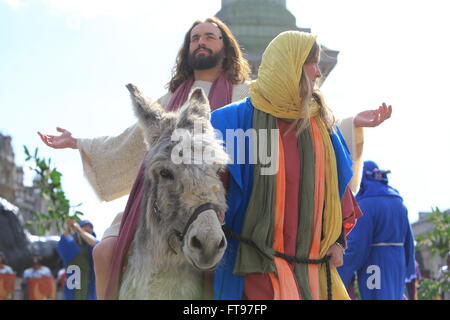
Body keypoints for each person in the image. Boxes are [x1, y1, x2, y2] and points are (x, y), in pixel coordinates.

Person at [38, 18, 391, 299]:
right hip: (163, 201)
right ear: (187, 49)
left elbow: (296, 126)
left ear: (226, 48)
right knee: (103, 253)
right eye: (194, 38)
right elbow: (130, 145)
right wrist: (79, 142)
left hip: (226, 205)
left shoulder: (252, 96)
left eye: (210, 37)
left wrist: (349, 124)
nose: (201, 42)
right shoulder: (169, 101)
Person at [337, 161, 416, 300]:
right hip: (398, 263)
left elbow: (357, 246)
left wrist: (341, 269)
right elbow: (409, 242)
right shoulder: (399, 202)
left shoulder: (366, 204)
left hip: (375, 264)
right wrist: (409, 269)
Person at [56, 219, 98, 300]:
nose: (88, 229)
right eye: (85, 226)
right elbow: (63, 244)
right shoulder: (72, 244)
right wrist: (68, 228)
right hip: (73, 286)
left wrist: (79, 229)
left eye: (90, 227)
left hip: (90, 284)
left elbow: (95, 243)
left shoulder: (94, 245)